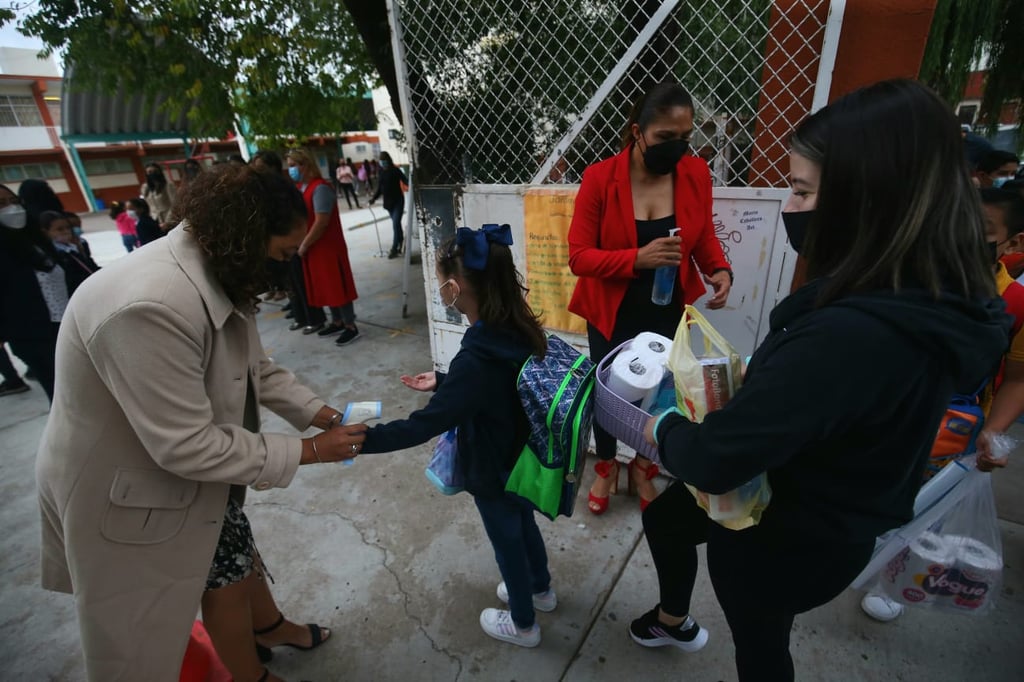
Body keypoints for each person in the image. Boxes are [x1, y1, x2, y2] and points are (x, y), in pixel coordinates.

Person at [628, 79, 1008, 682]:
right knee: (666, 520)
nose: (791, 206)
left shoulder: (854, 333)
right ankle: (673, 617)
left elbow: (715, 459)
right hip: (819, 512)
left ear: (868, 200)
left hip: (781, 533)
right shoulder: (923, 295)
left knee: (760, 644)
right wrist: (765, 388)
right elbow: (827, 401)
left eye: (803, 190)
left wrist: (655, 421)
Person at [36, 165, 369, 682]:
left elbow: (255, 368)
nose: (290, 266)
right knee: (209, 593)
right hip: (129, 488)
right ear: (248, 238)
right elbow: (187, 446)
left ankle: (270, 626)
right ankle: (249, 675)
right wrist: (311, 450)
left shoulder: (218, 269)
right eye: (283, 254)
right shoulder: (151, 305)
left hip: (194, 475)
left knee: (236, 552)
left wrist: (325, 417)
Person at [361, 224, 556, 648]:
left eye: (442, 286)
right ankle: (542, 590)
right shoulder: (519, 327)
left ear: (454, 288)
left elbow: (424, 424)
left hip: (490, 467)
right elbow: (500, 385)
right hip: (524, 457)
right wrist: (446, 380)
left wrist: (364, 439)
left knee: (506, 541)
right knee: (523, 523)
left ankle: (524, 624)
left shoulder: (476, 355)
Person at [567, 81, 732, 515]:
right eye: (665, 138)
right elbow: (579, 257)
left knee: (662, 397)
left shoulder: (694, 174)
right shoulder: (600, 178)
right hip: (612, 312)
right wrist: (636, 258)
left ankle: (643, 464)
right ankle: (606, 467)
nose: (677, 148)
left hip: (668, 310)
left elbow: (704, 236)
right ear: (637, 132)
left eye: (685, 138)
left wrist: (718, 269)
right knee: (608, 397)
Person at [0, 184, 68, 401]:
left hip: (63, 325)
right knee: (63, 397)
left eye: (14, 201)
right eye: (1, 204)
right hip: (33, 336)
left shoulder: (34, 238)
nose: (12, 209)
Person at [286, 148, 360, 345]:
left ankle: (350, 325)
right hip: (315, 248)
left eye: (293, 165)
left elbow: (322, 222)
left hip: (327, 247)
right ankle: (337, 321)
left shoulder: (320, 188)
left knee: (337, 285)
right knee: (325, 286)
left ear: (305, 165)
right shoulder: (305, 188)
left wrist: (304, 244)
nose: (291, 170)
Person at [251, 151, 291, 303]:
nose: (258, 171)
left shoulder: (284, 188)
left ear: (273, 167)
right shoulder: (261, 188)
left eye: (262, 167)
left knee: (291, 275)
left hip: (284, 239)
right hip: (270, 239)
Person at [39, 210, 99, 294]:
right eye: (60, 229)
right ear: (45, 232)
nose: (66, 231)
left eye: (68, 228)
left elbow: (89, 265)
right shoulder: (53, 255)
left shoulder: (77, 246)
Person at [369, 151, 409, 259]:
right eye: (381, 161)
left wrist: (411, 184)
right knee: (397, 225)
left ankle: (394, 248)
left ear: (388, 161)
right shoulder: (381, 172)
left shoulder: (395, 170)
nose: (383, 163)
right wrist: (373, 198)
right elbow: (380, 188)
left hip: (398, 202)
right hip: (388, 204)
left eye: (384, 161)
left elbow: (405, 180)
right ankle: (401, 241)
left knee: (395, 223)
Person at [141, 163, 177, 228]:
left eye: (155, 171)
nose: (152, 173)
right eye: (149, 172)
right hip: (154, 220)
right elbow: (147, 205)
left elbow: (175, 204)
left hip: (169, 220)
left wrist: (167, 221)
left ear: (159, 172)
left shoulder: (168, 185)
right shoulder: (145, 187)